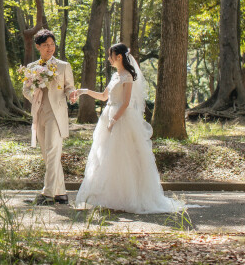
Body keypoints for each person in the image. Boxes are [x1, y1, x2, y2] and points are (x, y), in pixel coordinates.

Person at [69, 43, 184, 214]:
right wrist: (83, 91)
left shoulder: (127, 76)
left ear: (119, 57)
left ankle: (126, 197)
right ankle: (107, 196)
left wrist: (114, 120)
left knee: (122, 157)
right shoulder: (115, 76)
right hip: (108, 114)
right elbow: (104, 96)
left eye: (111, 55)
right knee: (105, 156)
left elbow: (126, 102)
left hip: (121, 119)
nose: (109, 59)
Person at [21, 29, 76, 205]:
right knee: (47, 153)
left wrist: (71, 94)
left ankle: (48, 193)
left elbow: (69, 87)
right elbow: (25, 90)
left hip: (56, 113)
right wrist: (34, 94)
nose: (50, 48)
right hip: (39, 112)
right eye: (46, 45)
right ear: (38, 46)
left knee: (53, 151)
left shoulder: (63, 66)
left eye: (52, 44)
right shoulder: (31, 67)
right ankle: (61, 193)